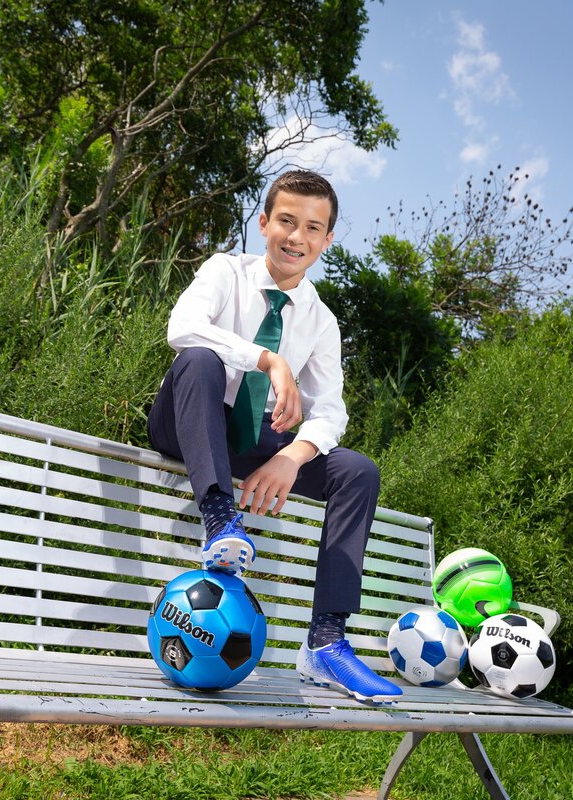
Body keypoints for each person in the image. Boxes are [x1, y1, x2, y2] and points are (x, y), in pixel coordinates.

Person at [147, 169, 401, 703]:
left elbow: (330, 409)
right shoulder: (226, 271)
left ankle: (327, 644)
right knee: (199, 358)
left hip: (256, 441)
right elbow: (182, 326)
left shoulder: (322, 320)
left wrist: (294, 456)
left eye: (313, 227)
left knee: (356, 470)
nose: (297, 237)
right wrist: (268, 359)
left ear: (326, 240)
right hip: (190, 419)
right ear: (264, 223)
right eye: (286, 221)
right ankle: (220, 522)